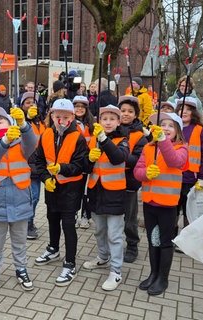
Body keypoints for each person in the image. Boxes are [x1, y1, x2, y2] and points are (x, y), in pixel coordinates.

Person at [0, 106, 37, 294]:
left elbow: (33, 142)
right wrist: (4, 140)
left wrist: (23, 124)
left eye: (1, 121)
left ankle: (21, 269)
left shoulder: (21, 143)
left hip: (21, 199)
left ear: (10, 123)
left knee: (20, 241)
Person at [34, 98, 88, 286]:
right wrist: (45, 178)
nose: (61, 120)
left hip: (71, 189)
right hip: (52, 187)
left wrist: (62, 168)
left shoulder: (78, 137)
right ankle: (53, 248)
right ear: (52, 115)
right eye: (58, 116)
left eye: (65, 117)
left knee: (68, 224)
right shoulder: (46, 134)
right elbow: (38, 161)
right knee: (51, 219)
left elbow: (80, 165)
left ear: (72, 117)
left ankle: (70, 262)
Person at [134, 112, 188, 296]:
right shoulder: (148, 148)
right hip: (150, 203)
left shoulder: (182, 148)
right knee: (152, 240)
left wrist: (163, 141)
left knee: (165, 242)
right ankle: (153, 273)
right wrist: (146, 173)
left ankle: (163, 278)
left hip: (167, 204)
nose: (165, 128)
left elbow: (175, 161)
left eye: (170, 125)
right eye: (162, 124)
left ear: (178, 131)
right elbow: (137, 171)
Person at [83, 105, 129, 291]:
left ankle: (116, 271)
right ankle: (103, 257)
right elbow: (85, 166)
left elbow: (118, 157)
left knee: (115, 235)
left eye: (112, 119)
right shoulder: (92, 140)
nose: (108, 122)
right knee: (99, 230)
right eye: (104, 119)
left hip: (115, 193)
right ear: (99, 121)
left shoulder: (122, 140)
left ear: (118, 122)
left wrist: (103, 139)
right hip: (96, 191)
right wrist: (89, 159)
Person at [175, 97, 203, 237]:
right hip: (173, 176)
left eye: (187, 110)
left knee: (188, 209)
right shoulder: (172, 128)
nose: (183, 112)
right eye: (180, 109)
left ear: (193, 113)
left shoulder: (200, 130)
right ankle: (171, 236)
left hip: (191, 177)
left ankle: (186, 237)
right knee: (173, 208)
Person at [117, 96, 148, 263]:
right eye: (122, 111)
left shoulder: (139, 135)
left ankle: (132, 245)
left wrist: (119, 156)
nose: (126, 114)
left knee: (130, 217)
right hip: (111, 180)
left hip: (129, 180)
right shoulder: (112, 129)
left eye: (130, 111)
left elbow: (138, 159)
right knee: (113, 215)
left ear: (136, 115)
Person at [19, 91, 46, 240]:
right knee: (31, 196)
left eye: (33, 102)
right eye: (27, 102)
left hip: (39, 163)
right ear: (22, 105)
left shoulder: (41, 121)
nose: (30, 105)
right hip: (26, 163)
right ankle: (27, 223)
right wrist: (26, 119)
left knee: (35, 197)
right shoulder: (19, 120)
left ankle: (29, 220)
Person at [72, 95, 96, 228]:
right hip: (76, 161)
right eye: (77, 106)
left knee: (87, 191)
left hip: (89, 161)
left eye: (82, 107)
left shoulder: (91, 124)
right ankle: (74, 214)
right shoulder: (70, 122)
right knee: (77, 190)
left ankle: (86, 216)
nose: (79, 109)